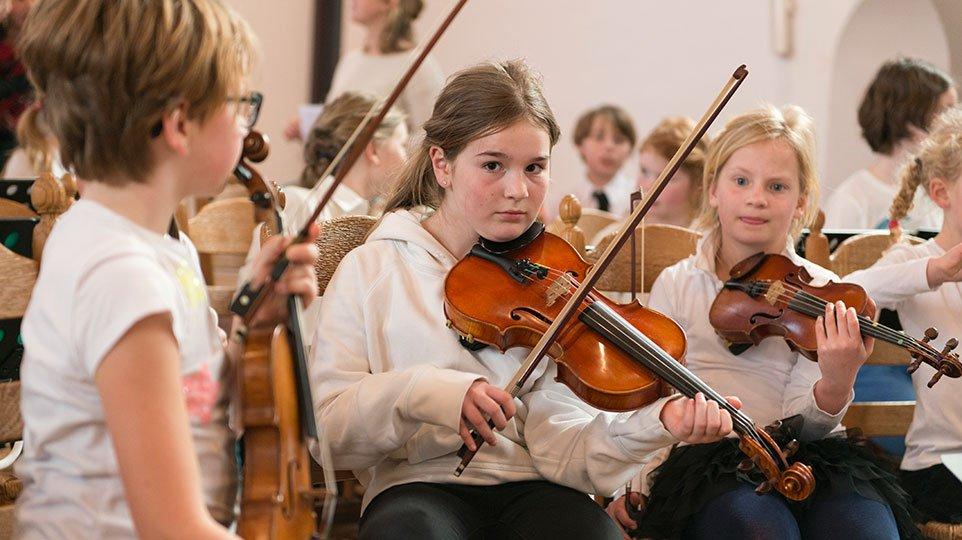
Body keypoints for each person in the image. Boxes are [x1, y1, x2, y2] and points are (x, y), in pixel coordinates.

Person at [309, 59, 740, 540]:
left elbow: (566, 449)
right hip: (415, 488)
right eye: (492, 165)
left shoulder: (553, 282)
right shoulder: (372, 270)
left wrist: (657, 423)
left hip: (540, 488)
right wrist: (424, 392)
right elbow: (326, 435)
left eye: (535, 168)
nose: (517, 191)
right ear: (442, 164)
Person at [14, 1, 319, 537]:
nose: (248, 122)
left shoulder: (154, 248)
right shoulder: (121, 276)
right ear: (179, 124)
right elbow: (173, 529)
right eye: (241, 104)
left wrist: (252, 321)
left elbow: (187, 396)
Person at [608, 105, 916, 539]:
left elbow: (805, 423)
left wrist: (836, 382)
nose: (757, 197)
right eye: (741, 181)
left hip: (808, 453)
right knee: (760, 531)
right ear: (713, 190)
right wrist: (631, 482)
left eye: (777, 186)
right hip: (707, 461)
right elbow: (650, 396)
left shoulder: (823, 291)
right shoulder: (678, 284)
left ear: (801, 201)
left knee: (867, 530)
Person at [846, 106, 962, 525]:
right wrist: (937, 271)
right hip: (941, 462)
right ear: (942, 193)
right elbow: (853, 291)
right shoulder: (917, 260)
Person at [824, 57, 956, 230]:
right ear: (908, 117)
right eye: (944, 111)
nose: (953, 122)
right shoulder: (852, 198)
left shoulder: (938, 192)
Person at [284, 0, 442, 141]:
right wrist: (310, 126)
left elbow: (429, 137)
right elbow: (340, 118)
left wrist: (385, 149)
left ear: (390, 2)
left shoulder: (420, 66)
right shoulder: (351, 60)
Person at [547, 104, 636, 220]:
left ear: (630, 149)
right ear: (580, 144)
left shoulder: (639, 201)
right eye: (599, 137)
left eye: (618, 140)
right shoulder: (561, 203)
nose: (609, 146)